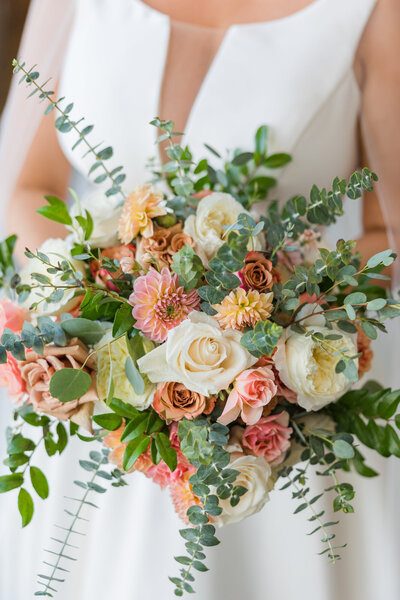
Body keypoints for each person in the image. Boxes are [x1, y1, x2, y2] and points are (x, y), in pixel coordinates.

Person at [0, 1, 399, 599]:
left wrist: (276, 329)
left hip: (275, 419)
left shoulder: (372, 11)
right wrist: (83, 300)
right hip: (98, 394)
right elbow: (26, 188)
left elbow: (387, 232)